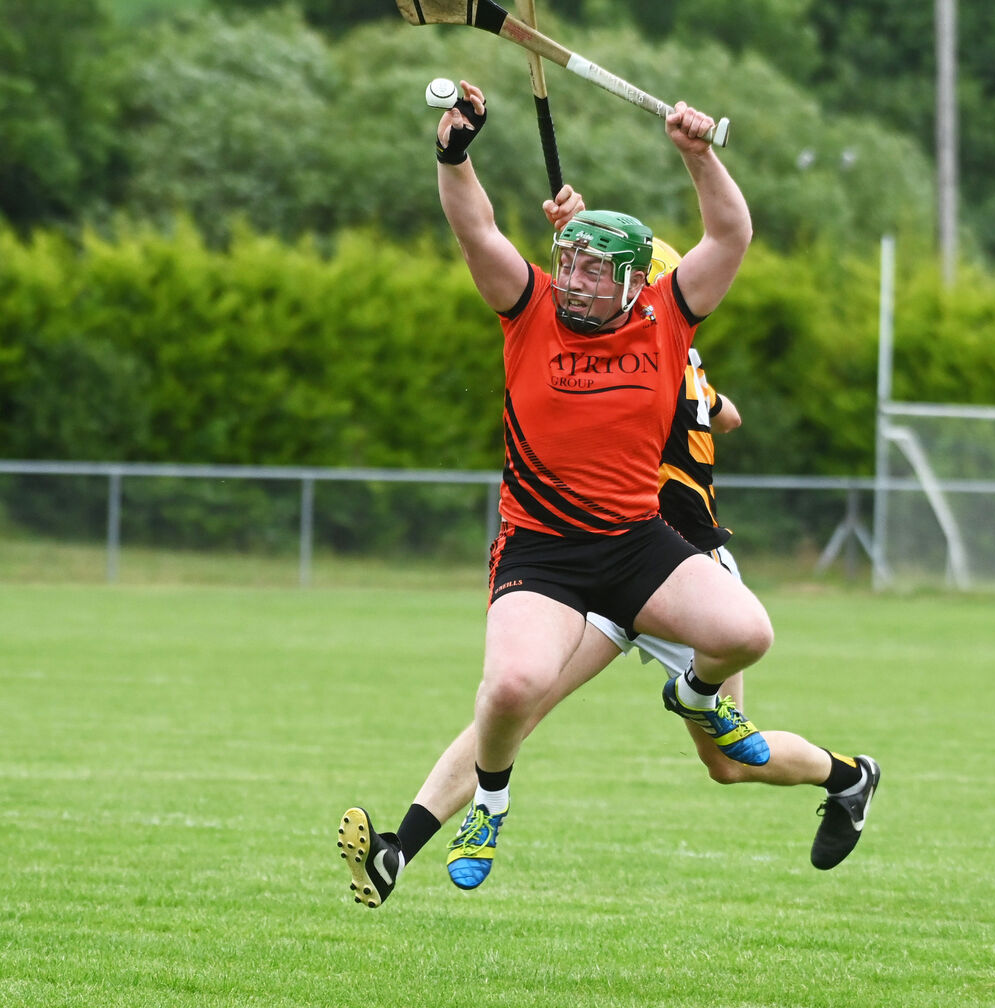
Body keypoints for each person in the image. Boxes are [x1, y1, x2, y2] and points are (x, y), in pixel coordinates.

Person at [336, 220, 880, 905]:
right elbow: (728, 414)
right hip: (600, 562)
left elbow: (636, 370)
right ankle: (399, 849)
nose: (583, 287)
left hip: (681, 566)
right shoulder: (680, 366)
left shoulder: (658, 357)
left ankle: (847, 776)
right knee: (516, 702)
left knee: (725, 766)